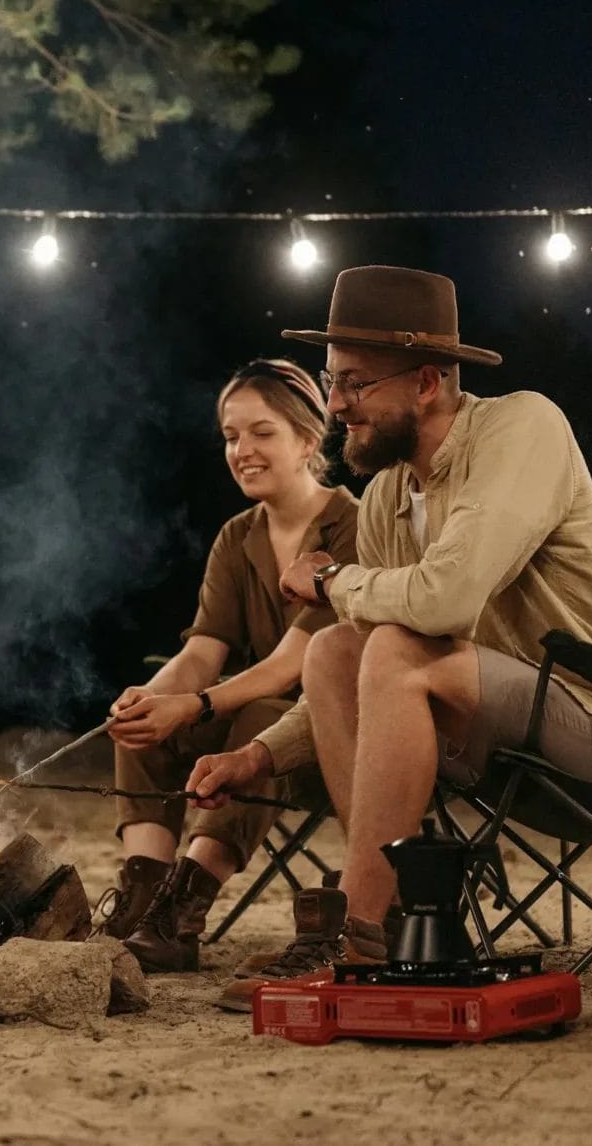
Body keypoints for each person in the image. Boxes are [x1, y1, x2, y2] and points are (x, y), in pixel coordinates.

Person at [186, 265, 592, 1011]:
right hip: (494, 749)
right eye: (331, 381)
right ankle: (398, 916)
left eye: (354, 385)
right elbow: (359, 671)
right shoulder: (384, 499)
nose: (335, 406)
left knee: (396, 647)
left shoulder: (522, 428)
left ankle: (361, 931)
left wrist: (334, 580)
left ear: (429, 383)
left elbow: (446, 597)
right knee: (341, 649)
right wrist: (259, 755)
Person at [99, 358, 358, 974]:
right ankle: (142, 904)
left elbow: (294, 662)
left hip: (333, 739)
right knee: (142, 720)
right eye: (231, 435)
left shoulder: (353, 524)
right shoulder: (237, 536)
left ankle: (183, 911)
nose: (242, 450)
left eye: (261, 432)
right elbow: (202, 651)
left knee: (262, 714)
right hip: (250, 725)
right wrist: (151, 699)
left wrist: (192, 704)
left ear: (307, 437)